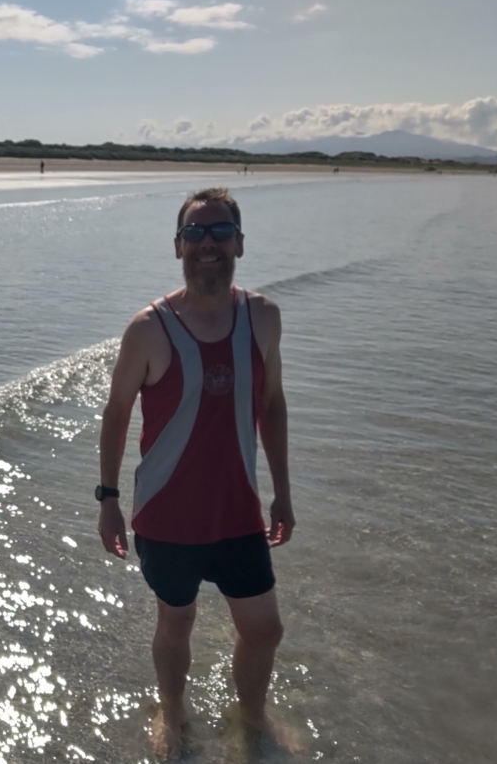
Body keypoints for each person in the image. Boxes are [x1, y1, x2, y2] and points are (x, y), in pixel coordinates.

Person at [96, 187, 294, 757]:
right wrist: (108, 498)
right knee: (176, 623)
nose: (208, 244)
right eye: (196, 234)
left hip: (237, 511)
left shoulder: (263, 317)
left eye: (220, 231)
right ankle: (173, 711)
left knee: (265, 629)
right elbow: (116, 413)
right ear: (178, 246)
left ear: (239, 242)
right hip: (167, 514)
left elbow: (272, 404)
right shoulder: (149, 328)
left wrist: (282, 491)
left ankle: (251, 720)